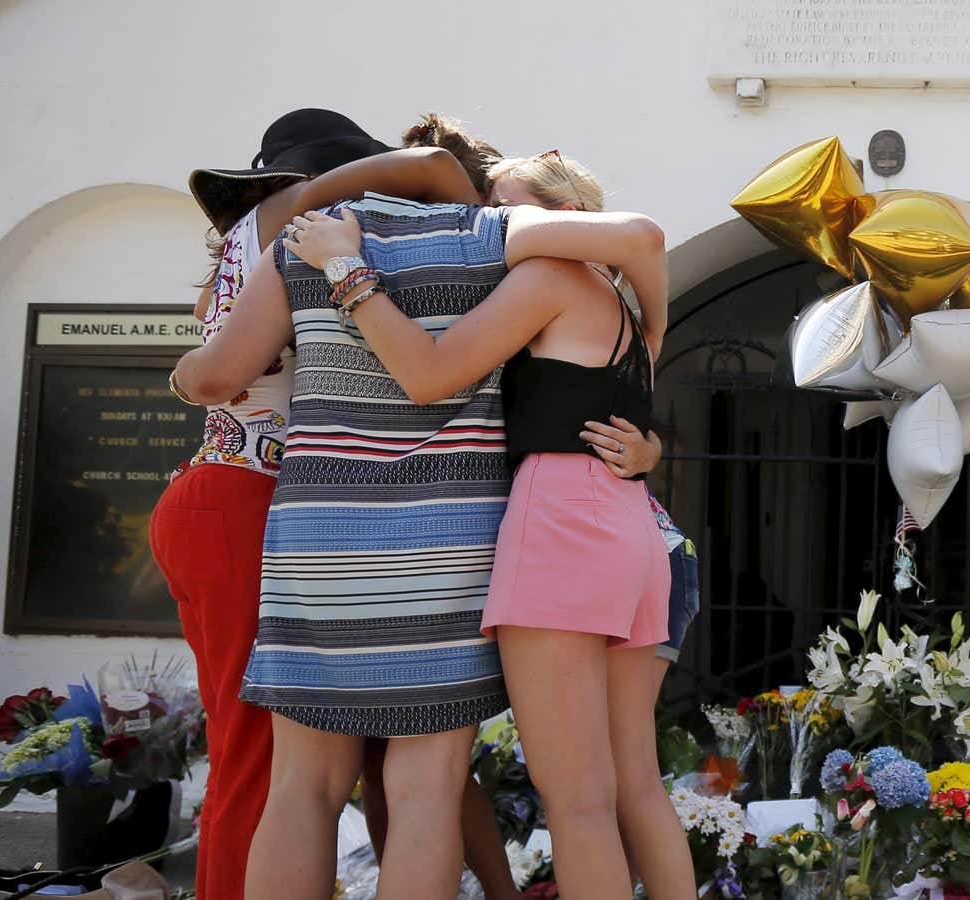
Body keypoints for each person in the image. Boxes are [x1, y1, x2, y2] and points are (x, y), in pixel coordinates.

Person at [170, 173, 668, 897]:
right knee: (425, 791)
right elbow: (636, 247)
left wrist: (182, 377)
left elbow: (216, 380)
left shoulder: (306, 239)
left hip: (319, 535)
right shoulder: (486, 240)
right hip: (446, 543)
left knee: (301, 787)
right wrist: (653, 336)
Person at [150, 107, 493, 900]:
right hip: (247, 499)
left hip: (218, 495)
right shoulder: (290, 225)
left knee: (263, 758)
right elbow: (439, 173)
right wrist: (335, 190)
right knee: (258, 762)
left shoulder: (258, 245)